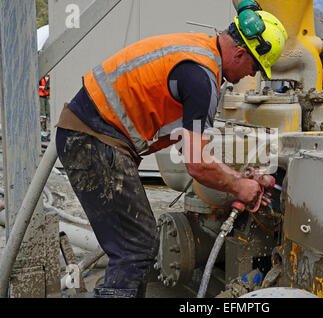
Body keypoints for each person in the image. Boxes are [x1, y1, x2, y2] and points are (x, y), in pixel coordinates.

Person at [55, 4, 287, 298]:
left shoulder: (199, 52)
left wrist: (232, 175)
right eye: (253, 68)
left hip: (91, 136)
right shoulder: (202, 78)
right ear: (241, 54)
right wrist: (240, 186)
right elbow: (198, 166)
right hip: (93, 140)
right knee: (136, 247)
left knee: (138, 245)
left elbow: (190, 146)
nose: (248, 76)